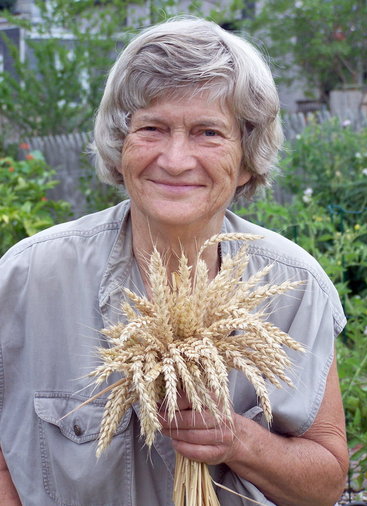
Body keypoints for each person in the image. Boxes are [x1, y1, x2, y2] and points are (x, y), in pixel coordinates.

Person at [0, 17, 348, 506]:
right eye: (152, 129)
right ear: (120, 146)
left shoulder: (295, 286)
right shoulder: (28, 276)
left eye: (208, 132)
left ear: (247, 158)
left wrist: (236, 440)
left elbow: (327, 482)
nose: (176, 159)